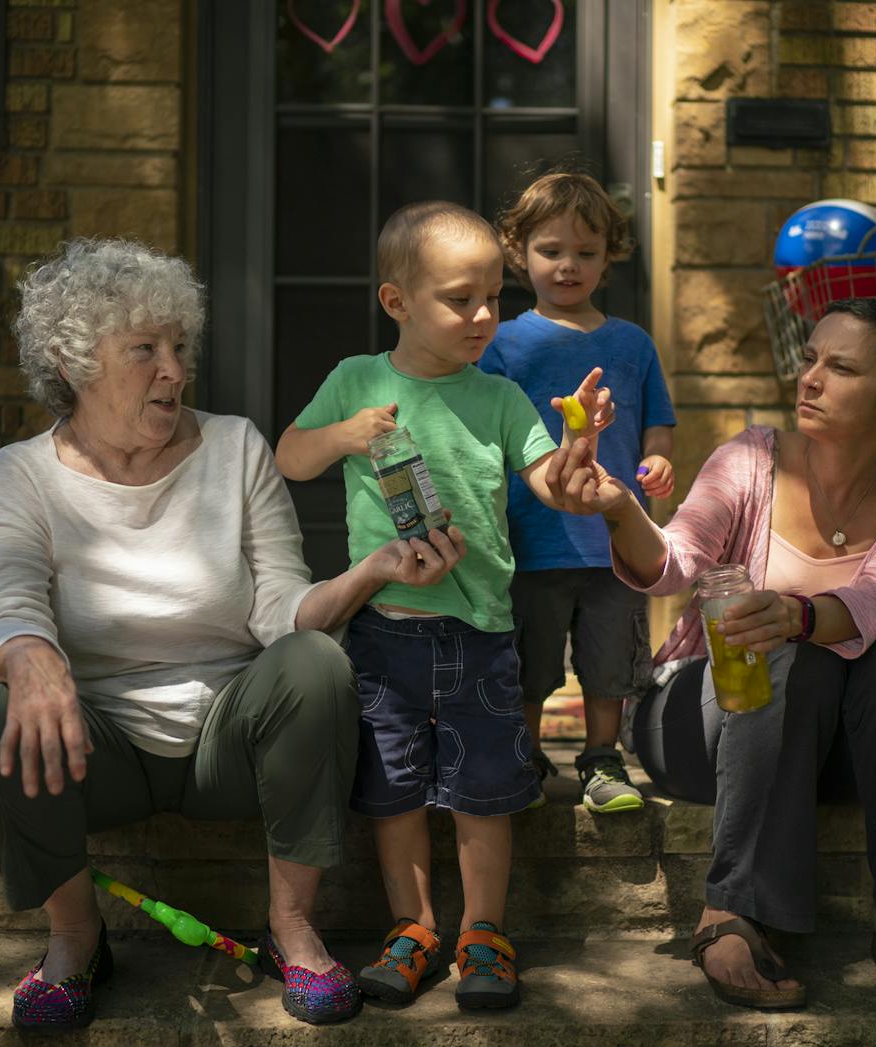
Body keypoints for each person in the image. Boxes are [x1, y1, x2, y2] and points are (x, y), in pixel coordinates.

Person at [0, 238, 468, 1030]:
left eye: (179, 347)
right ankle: (76, 934)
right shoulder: (23, 472)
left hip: (231, 739)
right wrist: (29, 653)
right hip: (97, 750)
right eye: (145, 350)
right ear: (75, 360)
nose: (174, 370)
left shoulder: (235, 447)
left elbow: (281, 609)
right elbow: (9, 596)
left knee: (315, 663)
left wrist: (374, 571)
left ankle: (293, 925)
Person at [545, 296, 876, 1013]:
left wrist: (800, 612)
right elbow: (677, 562)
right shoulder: (750, 457)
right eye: (810, 357)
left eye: (840, 367)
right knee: (780, 646)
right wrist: (621, 507)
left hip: (828, 746)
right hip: (698, 720)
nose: (809, 378)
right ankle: (731, 909)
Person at [274, 202, 611, 1010]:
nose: (485, 315)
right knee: (394, 793)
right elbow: (289, 454)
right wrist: (344, 434)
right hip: (383, 632)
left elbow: (549, 485)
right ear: (397, 303)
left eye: (495, 296)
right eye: (461, 299)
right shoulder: (359, 380)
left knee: (483, 792)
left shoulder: (498, 397)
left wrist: (577, 454)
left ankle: (484, 932)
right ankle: (415, 925)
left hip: (482, 631)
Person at [480, 171, 675, 814]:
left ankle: (601, 759)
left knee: (609, 658)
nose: (569, 266)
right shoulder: (500, 345)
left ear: (608, 257)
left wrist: (654, 462)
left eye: (586, 253)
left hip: (614, 539)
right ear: (518, 251)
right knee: (528, 658)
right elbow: (483, 434)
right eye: (551, 251)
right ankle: (522, 757)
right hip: (530, 536)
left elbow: (658, 424)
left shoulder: (631, 343)